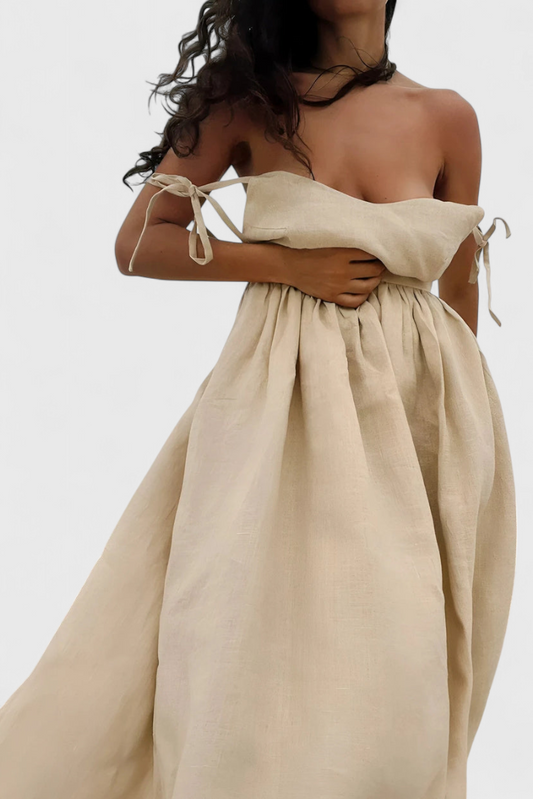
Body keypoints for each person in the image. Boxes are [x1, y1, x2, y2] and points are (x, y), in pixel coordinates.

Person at [0, 2, 517, 798]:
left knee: (397, 652)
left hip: (420, 407)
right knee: (240, 630)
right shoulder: (247, 101)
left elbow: (458, 288)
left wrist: (460, 435)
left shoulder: (448, 117)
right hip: (278, 403)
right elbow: (138, 241)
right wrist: (287, 265)